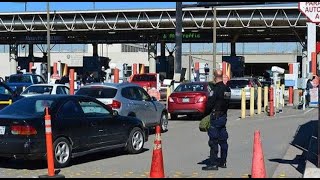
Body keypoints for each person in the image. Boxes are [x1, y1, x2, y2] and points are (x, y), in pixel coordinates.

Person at [202, 69, 231, 171]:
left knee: (213, 141)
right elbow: (227, 103)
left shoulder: (215, 90)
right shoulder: (227, 89)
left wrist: (204, 115)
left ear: (214, 77)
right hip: (223, 117)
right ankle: (223, 161)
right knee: (223, 140)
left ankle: (213, 163)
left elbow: (209, 104)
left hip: (215, 117)